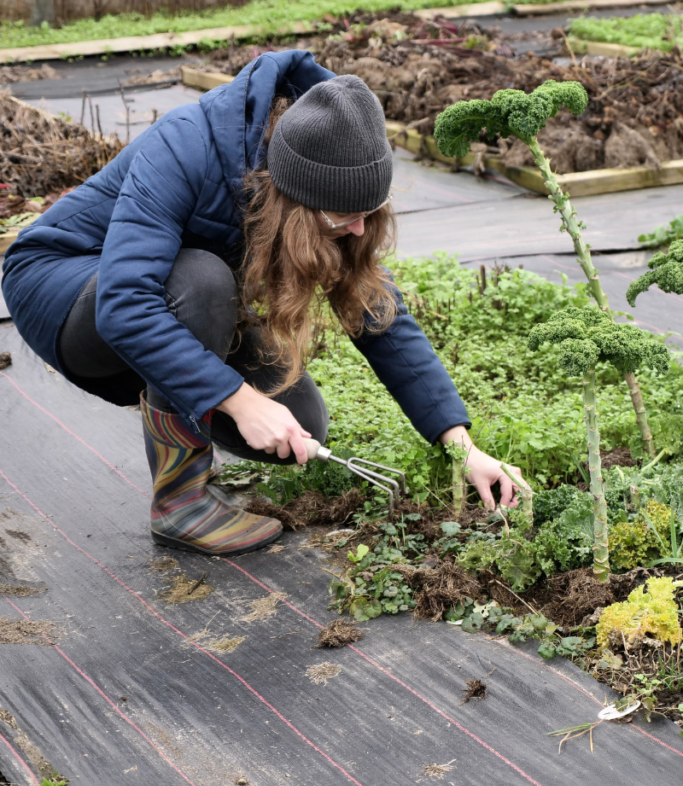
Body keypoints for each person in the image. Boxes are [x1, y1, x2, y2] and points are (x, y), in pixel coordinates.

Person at [3, 50, 527, 556]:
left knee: (301, 420)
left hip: (166, 291)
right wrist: (236, 398)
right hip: (64, 282)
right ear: (294, 195)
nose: (360, 228)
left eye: (370, 212)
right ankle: (180, 500)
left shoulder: (331, 149)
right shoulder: (187, 146)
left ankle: (175, 388)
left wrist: (461, 445)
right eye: (344, 215)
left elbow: (379, 314)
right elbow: (124, 303)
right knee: (203, 282)